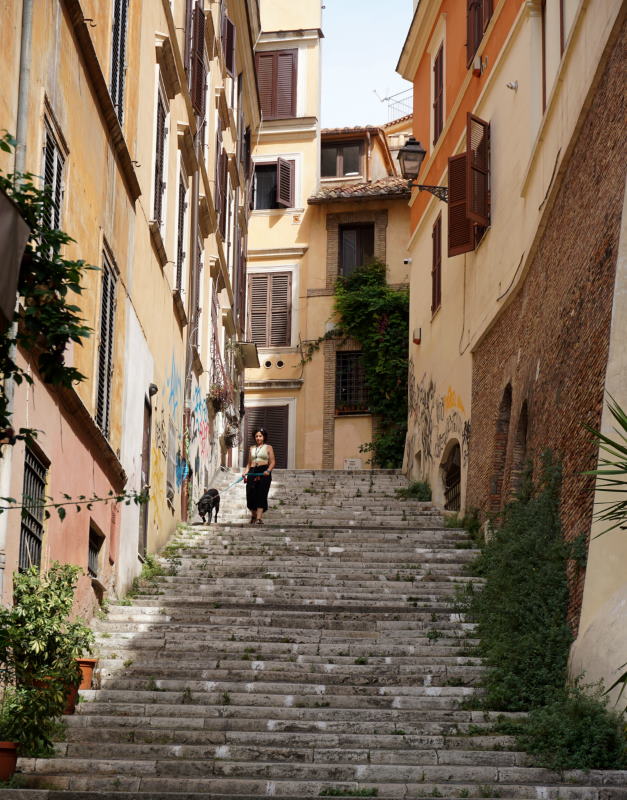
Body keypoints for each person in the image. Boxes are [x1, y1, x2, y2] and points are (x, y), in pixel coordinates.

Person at [243, 427, 275, 524]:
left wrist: (268, 470)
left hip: (264, 472)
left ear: (264, 437)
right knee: (250, 495)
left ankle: (259, 518)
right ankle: (254, 515)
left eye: (260, 436)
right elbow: (249, 463)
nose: (258, 438)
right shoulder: (252, 448)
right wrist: (245, 472)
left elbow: (272, 462)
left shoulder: (268, 447)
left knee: (261, 495)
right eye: (256, 436)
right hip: (252, 471)